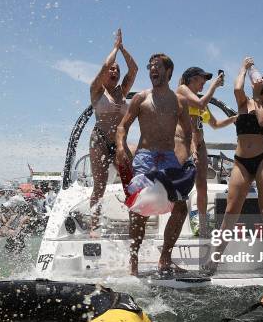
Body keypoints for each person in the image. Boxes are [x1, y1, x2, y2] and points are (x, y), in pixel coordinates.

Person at [203, 57, 263, 275]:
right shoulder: (243, 102)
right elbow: (238, 87)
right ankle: (214, 260)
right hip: (240, 160)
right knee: (231, 212)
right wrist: (243, 68)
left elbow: (262, 121)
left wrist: (258, 98)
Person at [116, 53, 193, 276]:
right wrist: (121, 147)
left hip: (169, 158)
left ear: (168, 72)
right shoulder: (141, 98)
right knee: (141, 209)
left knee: (180, 208)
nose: (152, 70)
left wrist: (186, 154)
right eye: (150, 66)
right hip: (145, 157)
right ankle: (134, 260)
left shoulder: (180, 101)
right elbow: (123, 127)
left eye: (157, 66)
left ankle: (165, 258)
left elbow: (188, 132)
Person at [175, 67, 237, 237]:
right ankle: (177, 223)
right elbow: (201, 103)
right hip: (184, 145)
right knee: (181, 188)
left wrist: (233, 119)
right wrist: (215, 86)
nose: (205, 83)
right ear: (192, 79)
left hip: (200, 146)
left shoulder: (200, 101)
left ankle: (202, 226)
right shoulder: (182, 90)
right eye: (203, 80)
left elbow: (215, 124)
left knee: (202, 187)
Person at [89, 28, 138, 236]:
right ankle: (94, 225)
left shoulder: (122, 91)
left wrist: (123, 49)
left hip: (119, 143)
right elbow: (105, 65)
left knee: (131, 183)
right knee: (99, 186)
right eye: (112, 69)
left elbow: (134, 69)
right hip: (99, 140)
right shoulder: (96, 90)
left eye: (117, 70)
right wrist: (115, 48)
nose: (114, 71)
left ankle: (134, 220)